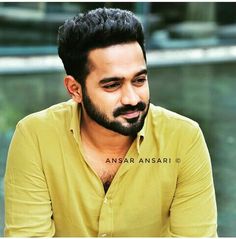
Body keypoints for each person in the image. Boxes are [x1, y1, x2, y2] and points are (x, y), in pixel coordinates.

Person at [4, 7, 217, 237]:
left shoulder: (184, 139)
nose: (132, 98)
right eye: (112, 85)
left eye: (139, 80)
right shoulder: (35, 136)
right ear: (75, 89)